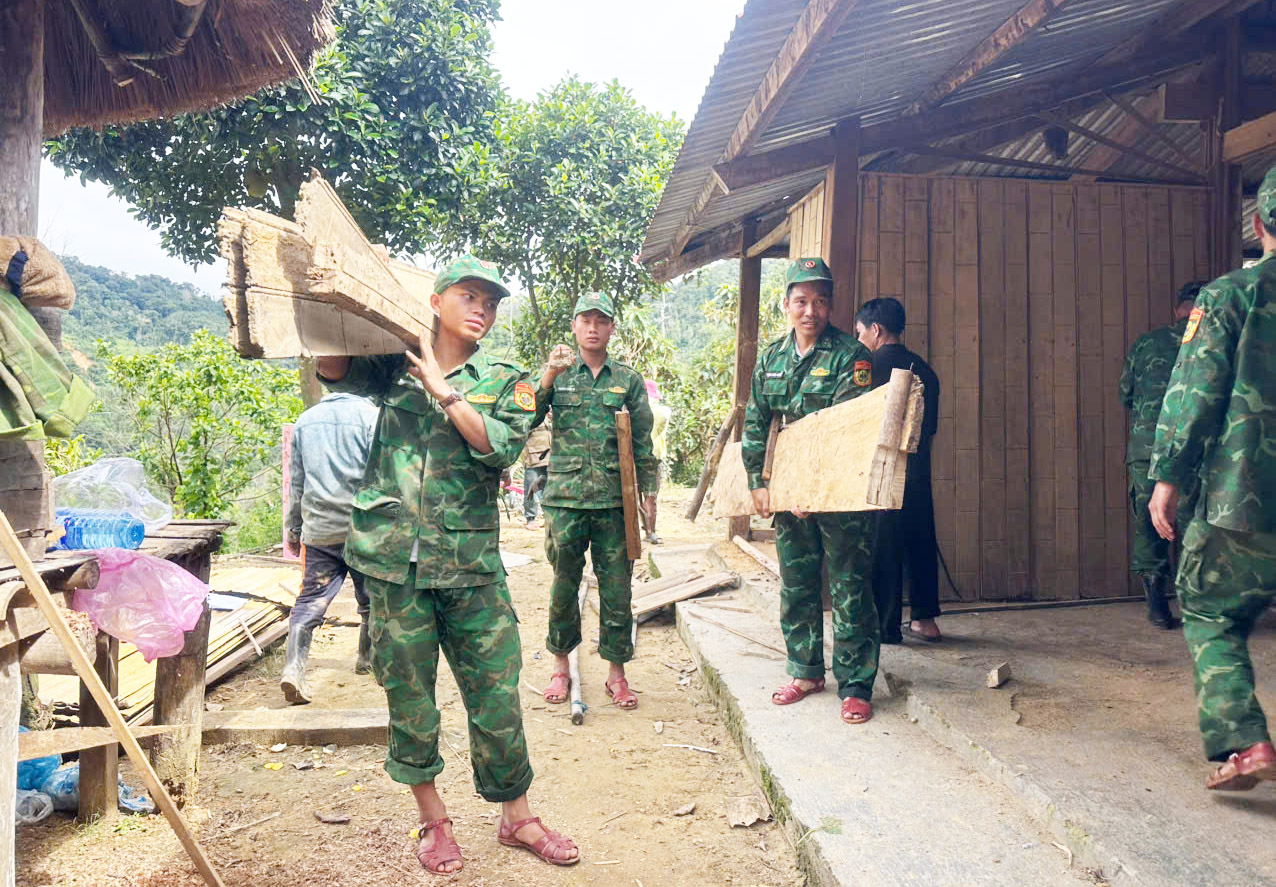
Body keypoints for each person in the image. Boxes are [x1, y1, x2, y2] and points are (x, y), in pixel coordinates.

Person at [315, 255, 579, 873]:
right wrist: (325, 308)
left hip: (470, 563)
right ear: (437, 302)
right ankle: (434, 822)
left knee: (495, 695)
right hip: (392, 562)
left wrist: (447, 392)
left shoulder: (508, 378)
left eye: (490, 300)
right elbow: (333, 363)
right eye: (469, 296)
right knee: (410, 698)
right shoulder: (392, 364)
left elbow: (500, 448)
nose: (482, 309)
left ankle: (517, 816)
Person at [1147, 165, 1276, 792]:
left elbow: (1194, 394)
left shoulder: (1228, 295)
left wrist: (1166, 477)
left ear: (1257, 226)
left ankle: (1245, 743)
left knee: (1209, 609)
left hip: (1243, 495)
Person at [743, 257, 880, 725]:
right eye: (801, 301)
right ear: (786, 305)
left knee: (849, 586)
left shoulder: (852, 355)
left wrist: (815, 487)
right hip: (788, 496)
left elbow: (844, 429)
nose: (810, 310)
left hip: (839, 493)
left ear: (831, 305)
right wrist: (758, 483)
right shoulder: (772, 358)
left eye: (820, 301)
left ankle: (857, 683)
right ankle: (805, 671)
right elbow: (758, 421)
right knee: (798, 584)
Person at [536, 291, 658, 712]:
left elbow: (642, 439)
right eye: (585, 319)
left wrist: (648, 494)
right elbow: (527, 415)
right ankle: (559, 666)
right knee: (563, 587)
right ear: (574, 326)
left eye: (601, 320)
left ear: (611, 328)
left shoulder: (627, 380)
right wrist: (548, 376)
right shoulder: (560, 375)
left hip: (613, 503)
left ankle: (616, 675)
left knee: (617, 589)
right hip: (565, 501)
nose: (592, 327)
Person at [854, 297, 943, 644]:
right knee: (921, 538)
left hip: (881, 470)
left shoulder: (866, 368)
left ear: (876, 330)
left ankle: (886, 626)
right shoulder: (927, 371)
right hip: (918, 470)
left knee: (884, 543)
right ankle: (926, 620)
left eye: (860, 332)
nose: (859, 339)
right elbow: (930, 428)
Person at [281, 391, 379, 704]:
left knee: (310, 602)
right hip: (363, 529)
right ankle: (368, 659)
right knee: (372, 601)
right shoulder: (371, 416)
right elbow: (382, 476)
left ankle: (293, 671)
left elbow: (297, 483)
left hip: (320, 531)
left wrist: (294, 529)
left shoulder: (305, 420)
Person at [1118, 281, 1203, 629]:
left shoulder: (1147, 343)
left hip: (1146, 451)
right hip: (1196, 452)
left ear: (1177, 309)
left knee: (1150, 526)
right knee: (1198, 527)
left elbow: (1126, 393)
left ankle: (1157, 608)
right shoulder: (1214, 342)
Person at [646, 380, 672, 545]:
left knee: (644, 496)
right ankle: (650, 531)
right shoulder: (661, 411)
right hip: (653, 458)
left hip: (645, 457)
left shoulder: (657, 411)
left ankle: (649, 531)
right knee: (650, 496)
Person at [521, 413, 552, 529]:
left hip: (549, 457)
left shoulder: (548, 415)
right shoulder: (530, 415)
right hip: (533, 458)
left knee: (549, 490)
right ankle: (531, 518)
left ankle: (548, 518)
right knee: (531, 490)